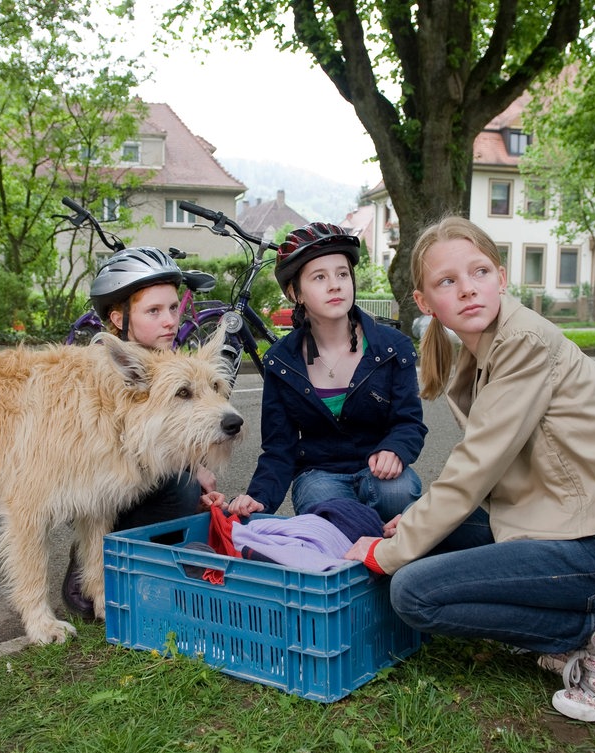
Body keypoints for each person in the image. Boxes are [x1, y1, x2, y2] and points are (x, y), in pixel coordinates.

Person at [345, 215, 595, 722]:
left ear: (501, 277)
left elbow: (474, 468)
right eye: (447, 282)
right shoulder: (481, 351)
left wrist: (387, 552)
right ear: (425, 302)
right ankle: (569, 632)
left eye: (478, 272)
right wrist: (413, 528)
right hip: (577, 519)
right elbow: (492, 470)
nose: (468, 290)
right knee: (431, 534)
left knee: (414, 591)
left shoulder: (524, 342)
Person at [62, 247, 223, 619]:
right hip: (92, 489)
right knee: (182, 484)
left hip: (147, 485)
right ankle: (92, 554)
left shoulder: (173, 363)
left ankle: (150, 565)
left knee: (186, 487)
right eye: (153, 311)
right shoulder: (98, 369)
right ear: (119, 319)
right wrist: (189, 469)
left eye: (172, 308)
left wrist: (195, 463)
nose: (169, 321)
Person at [228, 223, 427, 522]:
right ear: (296, 293)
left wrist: (395, 449)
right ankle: (367, 552)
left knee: (396, 491)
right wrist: (258, 498)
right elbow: (279, 448)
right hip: (319, 475)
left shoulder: (392, 347)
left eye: (342, 274)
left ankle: (393, 549)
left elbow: (408, 421)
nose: (335, 285)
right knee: (328, 509)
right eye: (319, 277)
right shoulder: (281, 362)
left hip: (378, 471)